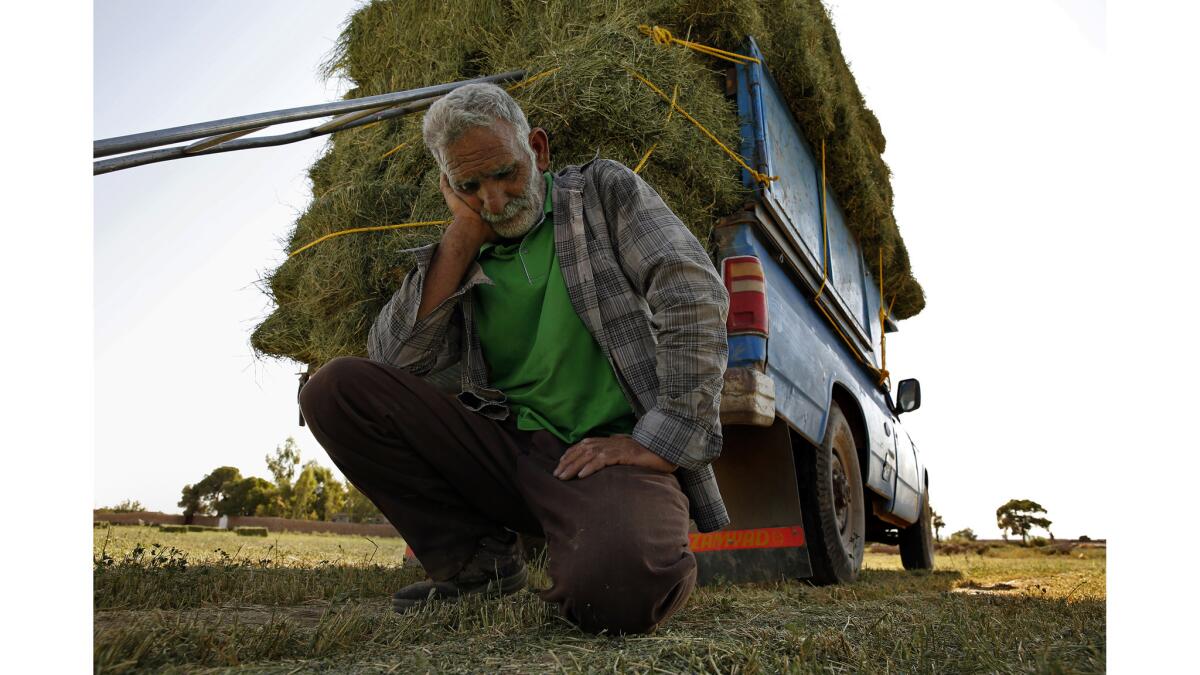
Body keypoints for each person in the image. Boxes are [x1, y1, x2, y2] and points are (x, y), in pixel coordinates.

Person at [299, 82, 729, 635]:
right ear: (447, 187)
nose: (495, 201)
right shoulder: (463, 248)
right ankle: (479, 564)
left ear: (539, 150)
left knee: (617, 592)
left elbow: (690, 289)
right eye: (470, 185)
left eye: (506, 173)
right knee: (334, 391)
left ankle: (604, 545)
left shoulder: (601, 194)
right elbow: (393, 361)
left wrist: (664, 437)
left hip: (602, 458)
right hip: (505, 452)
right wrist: (464, 231)